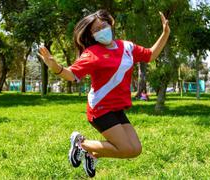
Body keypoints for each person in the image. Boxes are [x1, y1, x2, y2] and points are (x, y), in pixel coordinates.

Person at [37, 9, 170, 177]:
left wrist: (165, 33)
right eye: (96, 30)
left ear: (110, 24)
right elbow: (71, 75)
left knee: (135, 150)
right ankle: (81, 143)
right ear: (91, 35)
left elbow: (150, 55)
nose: (102, 30)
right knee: (125, 148)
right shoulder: (92, 54)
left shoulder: (127, 47)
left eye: (103, 25)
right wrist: (56, 67)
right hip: (100, 108)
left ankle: (92, 153)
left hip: (117, 108)